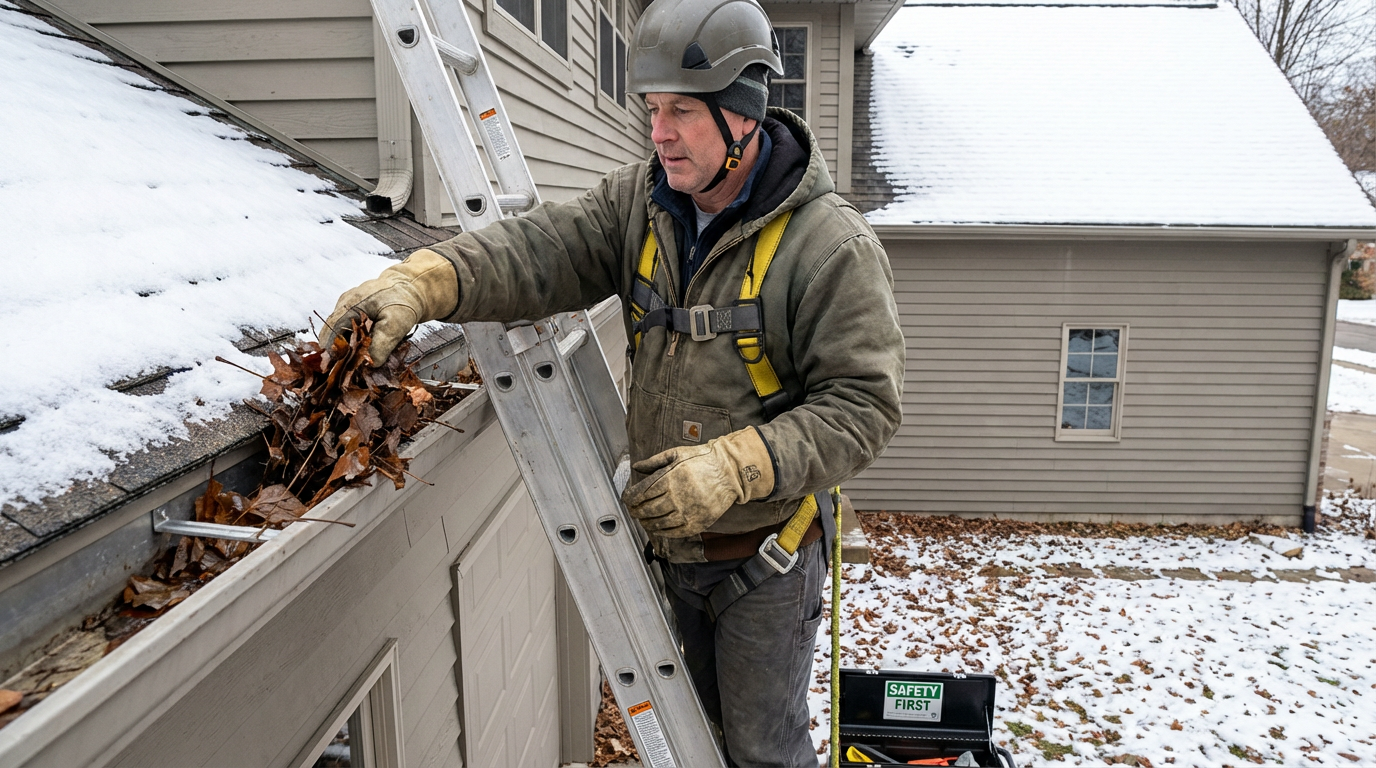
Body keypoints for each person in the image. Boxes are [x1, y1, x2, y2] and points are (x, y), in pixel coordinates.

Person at [322, 0, 904, 763]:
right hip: (671, 549)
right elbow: (541, 251)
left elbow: (863, 406)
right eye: (653, 109)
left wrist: (736, 467)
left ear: (743, 115)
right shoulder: (641, 205)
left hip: (766, 559)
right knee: (695, 742)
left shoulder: (828, 246)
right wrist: (426, 281)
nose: (659, 133)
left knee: (762, 753)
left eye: (683, 112)